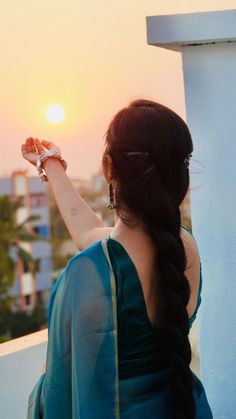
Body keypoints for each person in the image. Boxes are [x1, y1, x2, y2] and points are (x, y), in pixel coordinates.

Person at [22, 99, 213, 419]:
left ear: (108, 166)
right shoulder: (183, 246)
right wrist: (50, 163)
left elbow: (62, 390)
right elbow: (89, 233)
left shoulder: (89, 273)